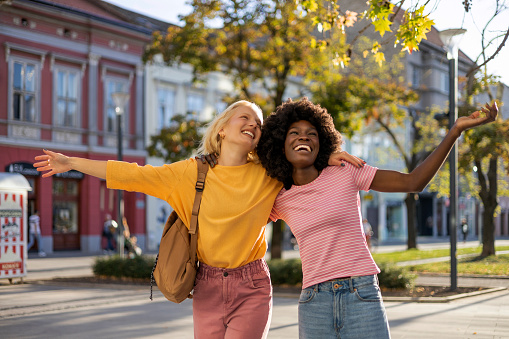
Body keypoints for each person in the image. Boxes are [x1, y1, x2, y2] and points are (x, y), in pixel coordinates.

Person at [34, 100, 358, 339]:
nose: (254, 125)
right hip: (207, 286)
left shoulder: (268, 172)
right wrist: (71, 162)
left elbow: (302, 161)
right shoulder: (189, 174)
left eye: (258, 124)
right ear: (222, 129)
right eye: (244, 118)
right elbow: (130, 174)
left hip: (252, 284)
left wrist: (328, 157)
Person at [256, 98, 498, 339]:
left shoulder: (345, 170)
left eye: (312, 133)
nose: (304, 137)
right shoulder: (278, 196)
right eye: (294, 132)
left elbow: (413, 182)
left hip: (361, 294)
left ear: (322, 143)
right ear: (280, 143)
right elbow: (238, 213)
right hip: (313, 301)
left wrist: (454, 131)